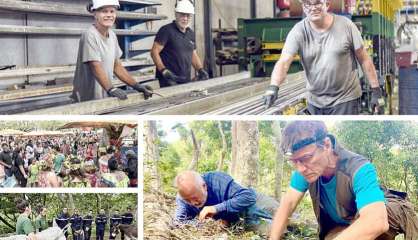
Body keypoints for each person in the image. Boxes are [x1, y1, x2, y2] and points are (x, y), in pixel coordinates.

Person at [269, 121, 418, 240]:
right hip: (345, 223)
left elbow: (376, 222)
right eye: (294, 162)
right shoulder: (304, 170)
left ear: (326, 145)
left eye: (306, 158)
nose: (300, 168)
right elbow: (287, 204)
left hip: (384, 212)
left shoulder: (359, 168)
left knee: (372, 220)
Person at [263, 0, 384, 115]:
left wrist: (376, 90)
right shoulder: (298, 31)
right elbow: (284, 61)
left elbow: (364, 59)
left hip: (345, 100)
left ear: (327, 4)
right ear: (303, 7)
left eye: (317, 3)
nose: (313, 8)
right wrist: (273, 87)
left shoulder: (346, 26)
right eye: (307, 4)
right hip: (314, 102)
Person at [71, 0, 153, 102]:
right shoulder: (90, 35)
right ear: (95, 14)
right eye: (104, 11)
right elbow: (95, 65)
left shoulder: (112, 35)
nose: (109, 15)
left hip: (104, 93)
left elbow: (117, 66)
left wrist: (136, 85)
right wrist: (111, 88)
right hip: (88, 96)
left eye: (112, 11)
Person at [174, 171, 279, 236]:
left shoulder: (217, 180)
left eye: (194, 197)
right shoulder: (182, 199)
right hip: (239, 220)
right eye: (188, 200)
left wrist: (216, 208)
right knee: (277, 231)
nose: (193, 203)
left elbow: (248, 197)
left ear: (204, 186)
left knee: (289, 217)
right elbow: (179, 222)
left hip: (253, 202)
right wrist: (208, 224)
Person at [151, 0, 209, 88]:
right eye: (182, 15)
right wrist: (163, 70)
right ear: (176, 14)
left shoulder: (190, 33)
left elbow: (193, 53)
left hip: (185, 79)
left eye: (188, 15)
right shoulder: (166, 30)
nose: (185, 18)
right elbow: (154, 52)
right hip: (168, 80)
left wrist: (200, 69)